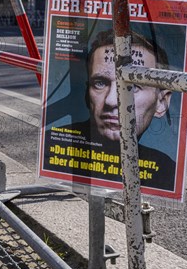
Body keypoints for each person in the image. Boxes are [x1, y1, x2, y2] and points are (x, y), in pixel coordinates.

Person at [50, 30, 175, 191]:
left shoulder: (165, 172)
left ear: (161, 103)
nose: (110, 100)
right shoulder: (54, 151)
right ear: (87, 95)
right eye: (100, 83)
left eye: (131, 87)